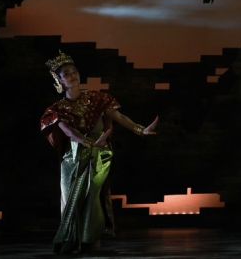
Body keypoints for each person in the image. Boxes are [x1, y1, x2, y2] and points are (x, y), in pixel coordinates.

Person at [39, 50, 159, 254]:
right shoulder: (56, 109)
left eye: (74, 71)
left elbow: (118, 117)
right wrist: (86, 141)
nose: (72, 75)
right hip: (73, 158)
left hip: (99, 154)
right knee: (71, 198)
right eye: (66, 74)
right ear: (59, 81)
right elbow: (68, 132)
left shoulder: (98, 98)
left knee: (92, 195)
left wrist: (140, 129)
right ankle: (70, 238)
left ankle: (90, 239)